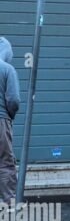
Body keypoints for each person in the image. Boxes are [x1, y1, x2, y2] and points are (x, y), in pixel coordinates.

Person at [0, 37, 20, 207]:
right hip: (1, 121)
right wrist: (10, 115)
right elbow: (13, 100)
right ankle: (9, 203)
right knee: (5, 162)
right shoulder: (7, 69)